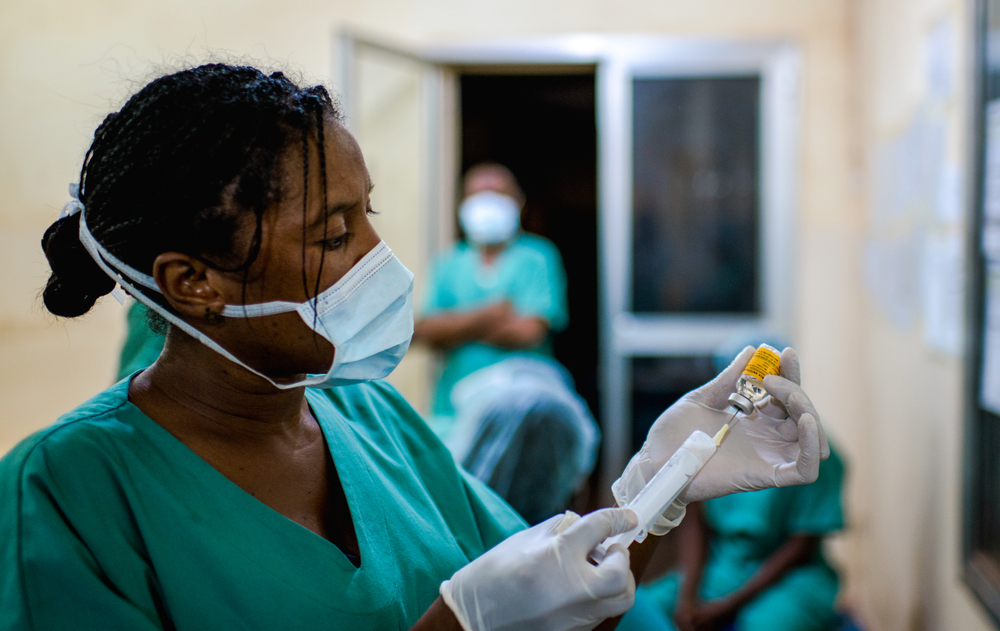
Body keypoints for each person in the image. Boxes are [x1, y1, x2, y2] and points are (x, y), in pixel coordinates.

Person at [0, 64, 828, 631]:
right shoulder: (66, 494)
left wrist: (659, 483)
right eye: (333, 233)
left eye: (369, 215)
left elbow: (563, 600)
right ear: (193, 283)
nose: (377, 260)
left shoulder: (370, 417)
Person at [414, 164, 597, 523]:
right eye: (477, 194)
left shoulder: (536, 256)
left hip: (526, 406)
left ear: (518, 203)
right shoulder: (450, 263)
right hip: (455, 409)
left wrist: (457, 324)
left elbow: (530, 330)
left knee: (528, 515)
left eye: (497, 194)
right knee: (462, 516)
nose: (487, 202)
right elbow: (424, 331)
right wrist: (495, 313)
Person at [640, 343, 846, 631]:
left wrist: (730, 605)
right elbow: (696, 520)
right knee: (638, 610)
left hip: (789, 577)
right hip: (724, 564)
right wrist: (688, 596)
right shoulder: (714, 442)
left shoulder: (811, 450)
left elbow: (802, 546)